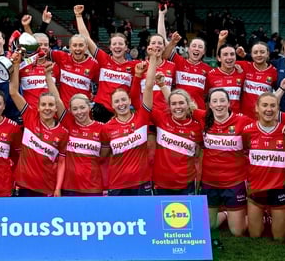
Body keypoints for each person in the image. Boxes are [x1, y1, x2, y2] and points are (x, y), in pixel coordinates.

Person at [193, 88, 252, 247]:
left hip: (234, 182)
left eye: (222, 101)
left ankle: (241, 215)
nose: (219, 104)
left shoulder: (243, 121)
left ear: (229, 103)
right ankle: (225, 214)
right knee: (208, 227)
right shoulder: (203, 117)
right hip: (209, 181)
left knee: (237, 232)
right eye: (215, 101)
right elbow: (182, 105)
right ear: (209, 105)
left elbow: (264, 123)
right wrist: (163, 85)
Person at [100, 47, 162, 196]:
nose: (121, 104)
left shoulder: (142, 117)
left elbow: (148, 87)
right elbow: (103, 156)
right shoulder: (107, 128)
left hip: (142, 182)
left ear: (129, 101)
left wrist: (152, 58)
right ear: (112, 105)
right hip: (117, 184)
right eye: (117, 101)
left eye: (123, 100)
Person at [9, 49, 68, 197]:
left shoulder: (63, 132)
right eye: (44, 105)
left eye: (50, 105)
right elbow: (13, 92)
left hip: (47, 187)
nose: (47, 108)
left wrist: (58, 188)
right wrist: (16, 65)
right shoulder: (30, 115)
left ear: (56, 108)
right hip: (23, 185)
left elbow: (61, 162)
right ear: (38, 107)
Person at [43, 60, 105, 196]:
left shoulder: (102, 128)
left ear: (89, 107)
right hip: (69, 187)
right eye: (75, 109)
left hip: (93, 187)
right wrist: (48, 76)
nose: (79, 112)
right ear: (70, 110)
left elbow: (105, 158)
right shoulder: (68, 123)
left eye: (82, 107)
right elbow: (57, 100)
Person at [242, 92, 285, 240]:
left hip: (278, 188)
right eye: (264, 105)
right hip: (256, 187)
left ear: (278, 108)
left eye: (273, 105)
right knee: (255, 235)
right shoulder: (247, 131)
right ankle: (264, 217)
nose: (269, 109)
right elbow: (244, 151)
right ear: (257, 108)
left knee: (279, 238)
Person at [73, 4, 137, 123]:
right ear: (110, 47)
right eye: (114, 44)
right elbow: (86, 38)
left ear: (126, 47)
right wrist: (78, 16)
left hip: (121, 111)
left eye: (120, 44)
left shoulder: (134, 66)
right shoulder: (104, 59)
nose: (117, 47)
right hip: (100, 110)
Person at [150, 87, 203, 195]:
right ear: (169, 106)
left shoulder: (197, 127)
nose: (177, 107)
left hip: (186, 185)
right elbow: (139, 103)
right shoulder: (161, 118)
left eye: (181, 103)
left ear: (188, 104)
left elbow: (198, 155)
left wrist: (194, 111)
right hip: (161, 184)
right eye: (173, 104)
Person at [47, 33, 100, 110]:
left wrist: (95, 98)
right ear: (70, 47)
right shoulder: (62, 57)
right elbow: (42, 50)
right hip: (63, 111)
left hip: (82, 111)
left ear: (86, 47)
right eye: (74, 45)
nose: (77, 48)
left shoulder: (94, 65)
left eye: (81, 45)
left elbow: (103, 84)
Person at [205, 40, 245, 114]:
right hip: (216, 119)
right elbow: (205, 99)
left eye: (232, 54)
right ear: (219, 58)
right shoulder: (210, 75)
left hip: (236, 119)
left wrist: (245, 55)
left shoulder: (241, 73)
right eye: (225, 54)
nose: (229, 57)